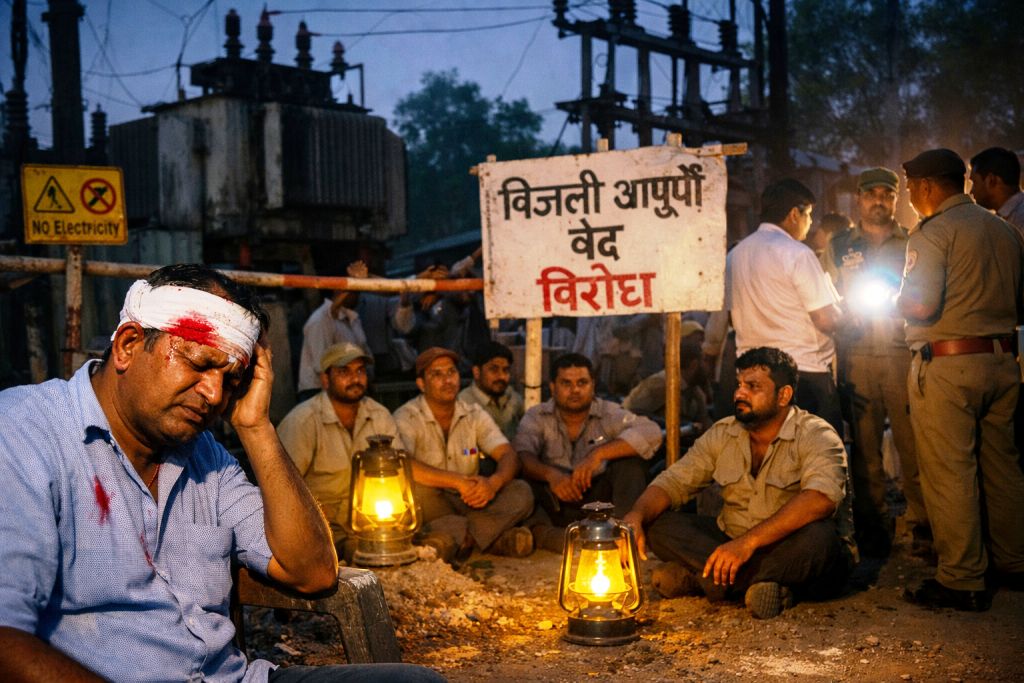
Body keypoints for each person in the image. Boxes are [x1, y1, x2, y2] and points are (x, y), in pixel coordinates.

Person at [0, 264, 442, 682]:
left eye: (231, 379)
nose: (214, 394)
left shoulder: (206, 457)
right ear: (129, 345)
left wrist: (256, 427)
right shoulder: (24, 432)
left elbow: (312, 571)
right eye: (198, 364)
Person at [623, 347, 854, 620]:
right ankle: (761, 585)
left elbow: (820, 499)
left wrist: (748, 543)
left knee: (820, 539)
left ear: (784, 395)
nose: (739, 394)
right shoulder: (724, 432)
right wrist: (636, 514)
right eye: (739, 385)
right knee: (657, 525)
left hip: (789, 547)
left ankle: (706, 581)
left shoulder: (817, 434)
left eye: (753, 386)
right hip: (733, 541)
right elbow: (673, 482)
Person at [897, 148, 1024, 611]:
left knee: (949, 471)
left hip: (948, 367)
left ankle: (962, 578)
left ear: (928, 186)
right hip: (1002, 362)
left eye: (911, 188)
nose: (910, 197)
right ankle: (1015, 562)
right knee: (1003, 468)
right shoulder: (1006, 231)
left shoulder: (933, 232)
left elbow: (921, 304)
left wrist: (894, 299)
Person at [825, 167, 929, 558]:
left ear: (896, 200)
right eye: (871, 195)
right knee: (865, 452)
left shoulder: (914, 240)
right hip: (857, 355)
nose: (879, 202)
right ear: (859, 199)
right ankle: (874, 531)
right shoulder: (839, 245)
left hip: (903, 352)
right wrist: (842, 315)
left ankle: (924, 526)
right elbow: (824, 293)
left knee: (913, 446)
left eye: (887, 195)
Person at [726, 178, 845, 436]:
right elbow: (825, 319)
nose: (810, 223)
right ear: (794, 214)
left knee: (766, 454)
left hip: (752, 378)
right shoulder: (797, 253)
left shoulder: (734, 256)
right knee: (817, 455)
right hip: (803, 375)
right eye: (808, 215)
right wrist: (849, 318)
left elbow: (731, 319)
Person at [395, 347, 535, 562]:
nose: (447, 380)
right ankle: (493, 538)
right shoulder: (407, 416)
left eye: (451, 372)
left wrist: (493, 484)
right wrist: (457, 481)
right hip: (433, 500)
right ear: (421, 384)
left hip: (471, 499)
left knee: (521, 491)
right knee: (414, 495)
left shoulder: (473, 413)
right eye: (437, 374)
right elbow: (404, 465)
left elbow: (508, 454)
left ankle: (461, 537)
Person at [513, 353, 663, 552]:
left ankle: (623, 534)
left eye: (582, 383)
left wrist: (597, 455)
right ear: (553, 387)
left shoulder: (608, 412)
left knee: (631, 466)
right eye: (566, 383)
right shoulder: (537, 415)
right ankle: (548, 535)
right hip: (555, 500)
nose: (575, 390)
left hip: (599, 501)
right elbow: (523, 454)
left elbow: (652, 432)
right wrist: (551, 475)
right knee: (522, 479)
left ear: (592, 385)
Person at [278, 342, 401, 561]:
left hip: (371, 520)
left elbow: (401, 468)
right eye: (344, 372)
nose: (355, 378)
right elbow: (281, 487)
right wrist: (312, 515)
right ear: (325, 379)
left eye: (360, 371)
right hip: (322, 524)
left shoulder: (379, 415)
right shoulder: (302, 421)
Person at [296, 260, 373, 402]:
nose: (357, 295)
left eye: (358, 291)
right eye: (354, 291)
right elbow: (321, 366)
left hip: (346, 389)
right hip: (318, 393)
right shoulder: (320, 320)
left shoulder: (352, 319)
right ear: (338, 289)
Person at [623, 338, 711, 433]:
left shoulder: (694, 389)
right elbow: (631, 412)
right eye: (704, 360)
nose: (707, 366)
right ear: (694, 364)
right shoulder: (660, 384)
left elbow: (704, 422)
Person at [458, 341, 524, 441]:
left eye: (505, 370)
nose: (502, 376)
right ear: (476, 372)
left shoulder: (513, 397)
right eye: (494, 370)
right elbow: (465, 448)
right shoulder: (464, 404)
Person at [969, 146, 1024, 232]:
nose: (971, 191)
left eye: (975, 182)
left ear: (991, 180)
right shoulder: (1006, 217)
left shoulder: (1020, 220)